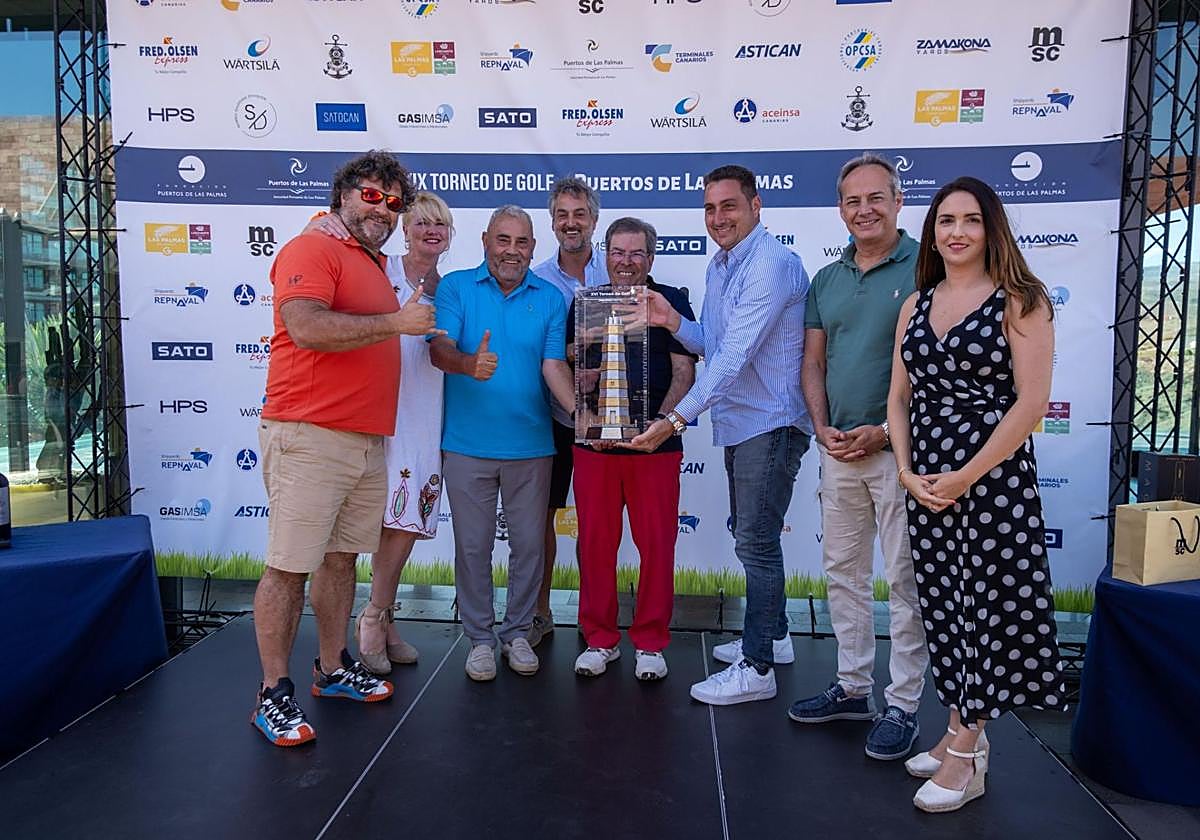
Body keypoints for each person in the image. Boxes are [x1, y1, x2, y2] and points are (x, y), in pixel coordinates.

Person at [886, 176, 1066, 812]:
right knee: (943, 605)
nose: (956, 231)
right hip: (926, 480)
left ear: (991, 228)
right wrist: (907, 472)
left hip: (992, 482)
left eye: (969, 219)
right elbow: (899, 400)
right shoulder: (916, 303)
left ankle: (968, 752)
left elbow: (1031, 403)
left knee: (987, 610)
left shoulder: (1022, 299)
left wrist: (966, 475)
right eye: (944, 221)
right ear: (932, 232)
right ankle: (959, 725)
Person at [250, 151, 441, 747]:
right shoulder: (312, 249)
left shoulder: (373, 263)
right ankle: (271, 692)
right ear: (342, 196)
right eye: (369, 195)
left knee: (340, 561)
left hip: (363, 439)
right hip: (309, 432)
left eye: (393, 201)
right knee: (288, 567)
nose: (381, 208)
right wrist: (395, 324)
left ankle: (331, 669)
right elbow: (306, 326)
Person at [628, 164, 812, 705]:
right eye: (709, 208)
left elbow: (733, 357)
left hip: (770, 421)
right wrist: (671, 322)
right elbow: (712, 340)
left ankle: (756, 668)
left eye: (729, 206)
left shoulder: (772, 263)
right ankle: (773, 639)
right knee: (754, 539)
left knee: (755, 543)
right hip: (742, 421)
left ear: (757, 206)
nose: (717, 218)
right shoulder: (722, 264)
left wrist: (676, 418)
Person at [788, 153, 930, 761]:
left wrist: (884, 433)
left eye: (877, 198)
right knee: (843, 574)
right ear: (840, 209)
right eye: (853, 201)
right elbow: (813, 361)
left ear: (898, 201)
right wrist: (822, 427)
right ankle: (852, 689)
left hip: (901, 453)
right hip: (839, 449)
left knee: (903, 580)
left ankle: (902, 704)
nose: (865, 210)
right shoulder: (827, 280)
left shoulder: (930, 267)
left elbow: (938, 368)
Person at [304, 192, 457, 673]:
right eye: (422, 222)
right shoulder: (376, 265)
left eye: (441, 224)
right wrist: (320, 223)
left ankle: (381, 616)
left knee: (406, 522)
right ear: (405, 227)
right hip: (371, 407)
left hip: (423, 407)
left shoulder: (450, 287)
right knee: (365, 525)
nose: (431, 231)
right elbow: (322, 240)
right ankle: (368, 622)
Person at [430, 205, 576, 681]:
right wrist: (468, 363)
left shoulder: (552, 298)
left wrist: (583, 415)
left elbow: (553, 366)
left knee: (531, 546)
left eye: (522, 243)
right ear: (486, 241)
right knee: (472, 547)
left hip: (533, 446)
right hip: (467, 445)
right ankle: (478, 639)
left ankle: (516, 632)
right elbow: (438, 349)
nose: (512, 251)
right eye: (503, 240)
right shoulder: (455, 287)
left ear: (534, 248)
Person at [569, 217, 696, 681]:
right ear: (605, 255)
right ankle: (600, 639)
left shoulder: (672, 301)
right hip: (596, 448)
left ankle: (650, 642)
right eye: (617, 253)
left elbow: (685, 371)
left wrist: (661, 425)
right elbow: (573, 366)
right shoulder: (585, 302)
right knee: (597, 545)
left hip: (657, 448)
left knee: (658, 545)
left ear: (651, 257)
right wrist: (587, 411)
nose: (626, 262)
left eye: (636, 253)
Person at [530, 177, 607, 647]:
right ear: (553, 221)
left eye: (580, 214)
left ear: (593, 220)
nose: (571, 223)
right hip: (552, 421)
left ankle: (592, 615)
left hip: (610, 420)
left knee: (596, 523)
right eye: (562, 214)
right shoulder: (537, 281)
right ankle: (539, 613)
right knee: (543, 518)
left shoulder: (616, 269)